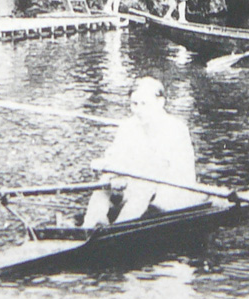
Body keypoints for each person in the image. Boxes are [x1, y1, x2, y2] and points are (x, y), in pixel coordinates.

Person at [82, 77, 203, 228]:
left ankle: (117, 231)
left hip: (172, 193)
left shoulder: (176, 129)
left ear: (160, 103)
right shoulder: (127, 127)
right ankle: (89, 227)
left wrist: (133, 175)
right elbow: (115, 158)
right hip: (138, 187)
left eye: (144, 104)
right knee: (104, 184)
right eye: (134, 104)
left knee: (143, 188)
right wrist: (109, 170)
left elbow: (181, 174)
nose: (138, 110)